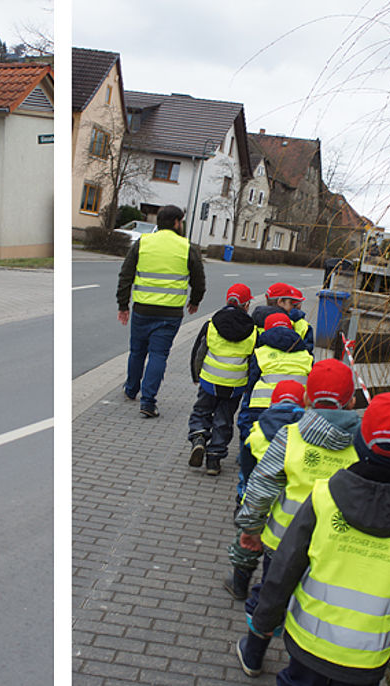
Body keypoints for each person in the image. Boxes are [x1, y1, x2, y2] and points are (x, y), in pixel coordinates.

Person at [241, 392, 390, 684]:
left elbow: (286, 567)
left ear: (360, 442)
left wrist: (266, 619)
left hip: (308, 642)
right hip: (368, 656)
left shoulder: (323, 497)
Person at [230, 358, 360, 676]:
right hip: (333, 546)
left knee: (271, 594)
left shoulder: (289, 436)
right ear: (352, 402)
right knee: (316, 602)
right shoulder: (362, 444)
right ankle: (302, 662)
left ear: (305, 399)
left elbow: (261, 484)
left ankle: (254, 653)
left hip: (282, 542)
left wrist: (250, 528)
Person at [116, 205, 206, 418]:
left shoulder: (143, 243)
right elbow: (199, 281)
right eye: (181, 221)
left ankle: (131, 389)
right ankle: (148, 402)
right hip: (170, 313)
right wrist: (194, 301)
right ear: (176, 222)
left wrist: (123, 305)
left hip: (142, 310)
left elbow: (125, 276)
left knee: (137, 351)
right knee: (158, 354)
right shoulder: (187, 247)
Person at [225, 379, 305, 597]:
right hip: (288, 505)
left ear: (272, 402)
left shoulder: (258, 430)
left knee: (246, 543)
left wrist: (243, 499)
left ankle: (239, 584)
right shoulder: (304, 434)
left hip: (258, 499)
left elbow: (247, 471)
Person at [235, 312, 313, 502]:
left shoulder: (260, 352)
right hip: (296, 407)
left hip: (261, 405)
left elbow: (251, 380)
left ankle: (245, 494)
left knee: (254, 444)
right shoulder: (305, 354)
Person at [187, 283, 257, 475]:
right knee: (224, 419)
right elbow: (253, 361)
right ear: (246, 305)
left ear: (228, 300)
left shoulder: (212, 324)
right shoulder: (252, 330)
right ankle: (214, 460)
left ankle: (199, 437)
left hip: (209, 381)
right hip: (235, 385)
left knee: (202, 411)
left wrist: (196, 375)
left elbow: (199, 352)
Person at [251, 283, 314, 353]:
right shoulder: (295, 324)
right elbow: (307, 353)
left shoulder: (253, 322)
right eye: (290, 303)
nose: (293, 307)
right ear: (280, 302)